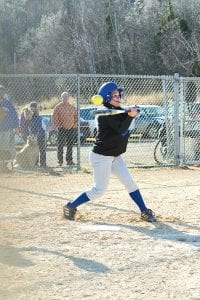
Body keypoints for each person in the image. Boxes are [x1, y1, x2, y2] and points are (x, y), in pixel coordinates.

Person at [63, 82, 156, 222]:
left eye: (119, 95)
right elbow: (121, 130)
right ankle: (71, 206)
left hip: (115, 156)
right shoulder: (104, 114)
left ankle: (144, 211)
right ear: (106, 98)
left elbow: (124, 119)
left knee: (130, 183)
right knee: (99, 190)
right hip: (101, 157)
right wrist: (130, 116)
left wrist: (132, 111)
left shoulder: (118, 110)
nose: (118, 98)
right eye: (114, 95)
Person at [52, 91, 77, 166]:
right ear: (61, 98)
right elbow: (54, 118)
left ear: (68, 98)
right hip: (61, 128)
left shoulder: (72, 107)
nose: (65, 98)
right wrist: (59, 125)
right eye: (63, 97)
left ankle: (69, 161)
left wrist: (74, 125)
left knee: (70, 145)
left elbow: (76, 117)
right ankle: (60, 161)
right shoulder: (58, 107)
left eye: (66, 97)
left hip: (71, 128)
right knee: (60, 145)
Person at [19, 102, 46, 168]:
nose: (27, 119)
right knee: (34, 151)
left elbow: (40, 129)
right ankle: (35, 164)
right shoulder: (29, 119)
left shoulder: (38, 118)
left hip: (40, 136)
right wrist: (29, 136)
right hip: (34, 137)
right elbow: (26, 128)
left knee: (42, 149)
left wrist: (36, 136)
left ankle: (43, 164)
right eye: (26, 118)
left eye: (28, 117)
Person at [0, 85, 19, 171]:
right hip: (2, 129)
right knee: (3, 148)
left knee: (8, 148)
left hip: (8, 129)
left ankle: (5, 166)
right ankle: (3, 166)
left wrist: (16, 126)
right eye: (0, 91)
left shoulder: (7, 103)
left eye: (2, 91)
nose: (1, 93)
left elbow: (14, 114)